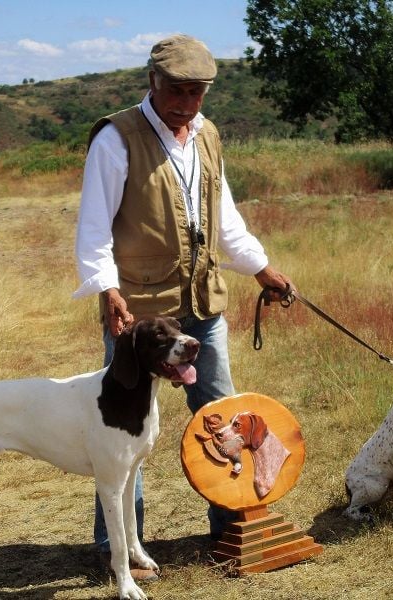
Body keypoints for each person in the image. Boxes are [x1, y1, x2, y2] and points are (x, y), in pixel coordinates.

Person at [73, 33, 294, 580]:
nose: (187, 103)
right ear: (152, 81)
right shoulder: (116, 139)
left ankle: (232, 527)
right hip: (141, 319)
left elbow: (225, 219)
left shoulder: (207, 136)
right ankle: (119, 547)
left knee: (221, 414)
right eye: (177, 89)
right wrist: (108, 290)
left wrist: (262, 268)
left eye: (197, 92)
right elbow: (94, 228)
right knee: (124, 426)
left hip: (202, 305)